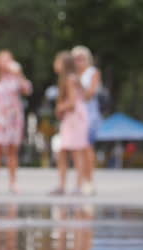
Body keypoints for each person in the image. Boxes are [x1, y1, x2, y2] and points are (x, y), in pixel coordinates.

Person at [0, 50, 32, 194]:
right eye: (3, 59)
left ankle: (13, 182)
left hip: (14, 119)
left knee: (12, 151)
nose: (6, 62)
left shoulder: (15, 77)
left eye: (9, 59)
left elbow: (27, 89)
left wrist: (19, 74)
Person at [50, 51, 90, 196]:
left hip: (75, 118)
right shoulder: (72, 79)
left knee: (75, 151)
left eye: (57, 61)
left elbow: (73, 102)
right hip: (74, 118)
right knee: (66, 151)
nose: (55, 64)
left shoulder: (70, 79)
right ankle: (65, 185)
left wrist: (60, 107)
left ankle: (76, 185)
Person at [72, 46, 101, 195]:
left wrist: (79, 85)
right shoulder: (71, 74)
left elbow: (90, 93)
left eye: (81, 58)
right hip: (74, 115)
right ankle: (80, 181)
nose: (79, 62)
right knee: (77, 149)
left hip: (89, 114)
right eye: (76, 59)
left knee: (87, 147)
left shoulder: (93, 73)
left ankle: (89, 181)